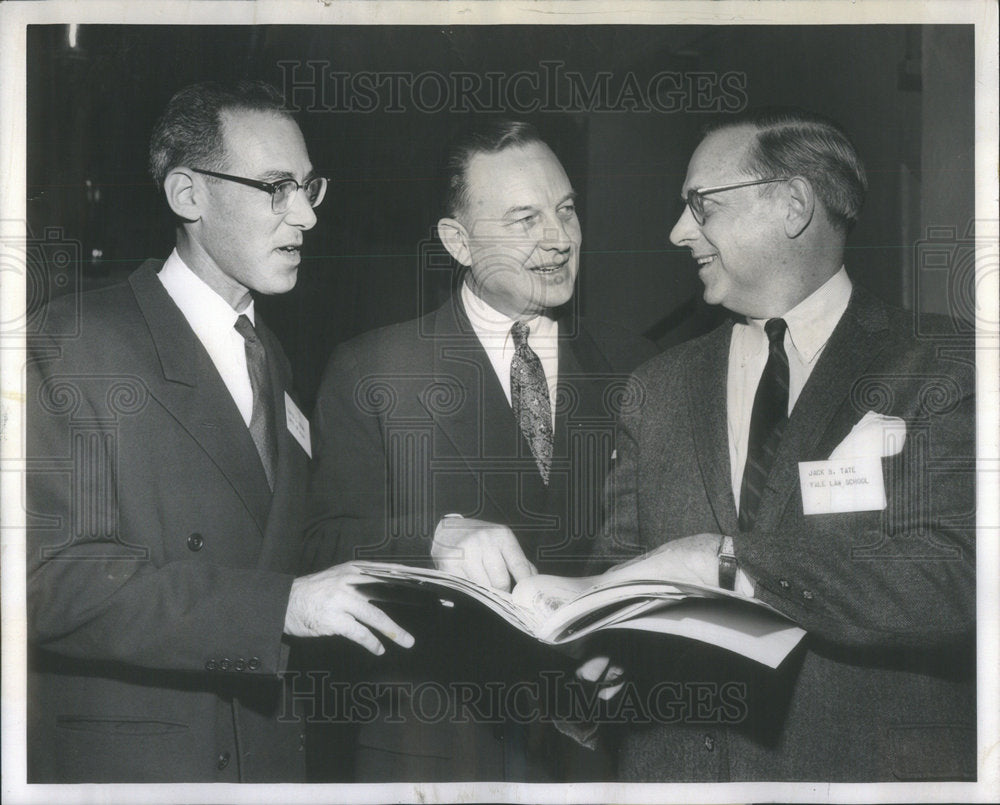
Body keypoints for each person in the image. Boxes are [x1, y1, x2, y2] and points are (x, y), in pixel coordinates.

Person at [26, 80, 413, 783]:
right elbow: (47, 579)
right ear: (187, 195)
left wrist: (425, 543)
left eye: (309, 187)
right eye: (275, 188)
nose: (305, 216)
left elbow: (286, 547)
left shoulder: (275, 359)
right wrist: (278, 609)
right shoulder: (75, 341)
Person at [579, 108, 976, 781]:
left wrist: (730, 561)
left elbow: (959, 574)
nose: (678, 232)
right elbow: (616, 571)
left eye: (699, 204)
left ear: (793, 205)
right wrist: (587, 652)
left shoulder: (941, 364)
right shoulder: (654, 387)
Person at [303, 120, 657, 781]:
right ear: (458, 242)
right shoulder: (374, 370)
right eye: (526, 220)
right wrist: (431, 539)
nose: (560, 239)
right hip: (433, 753)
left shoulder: (636, 367)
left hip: (597, 753)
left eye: (567, 210)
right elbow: (319, 543)